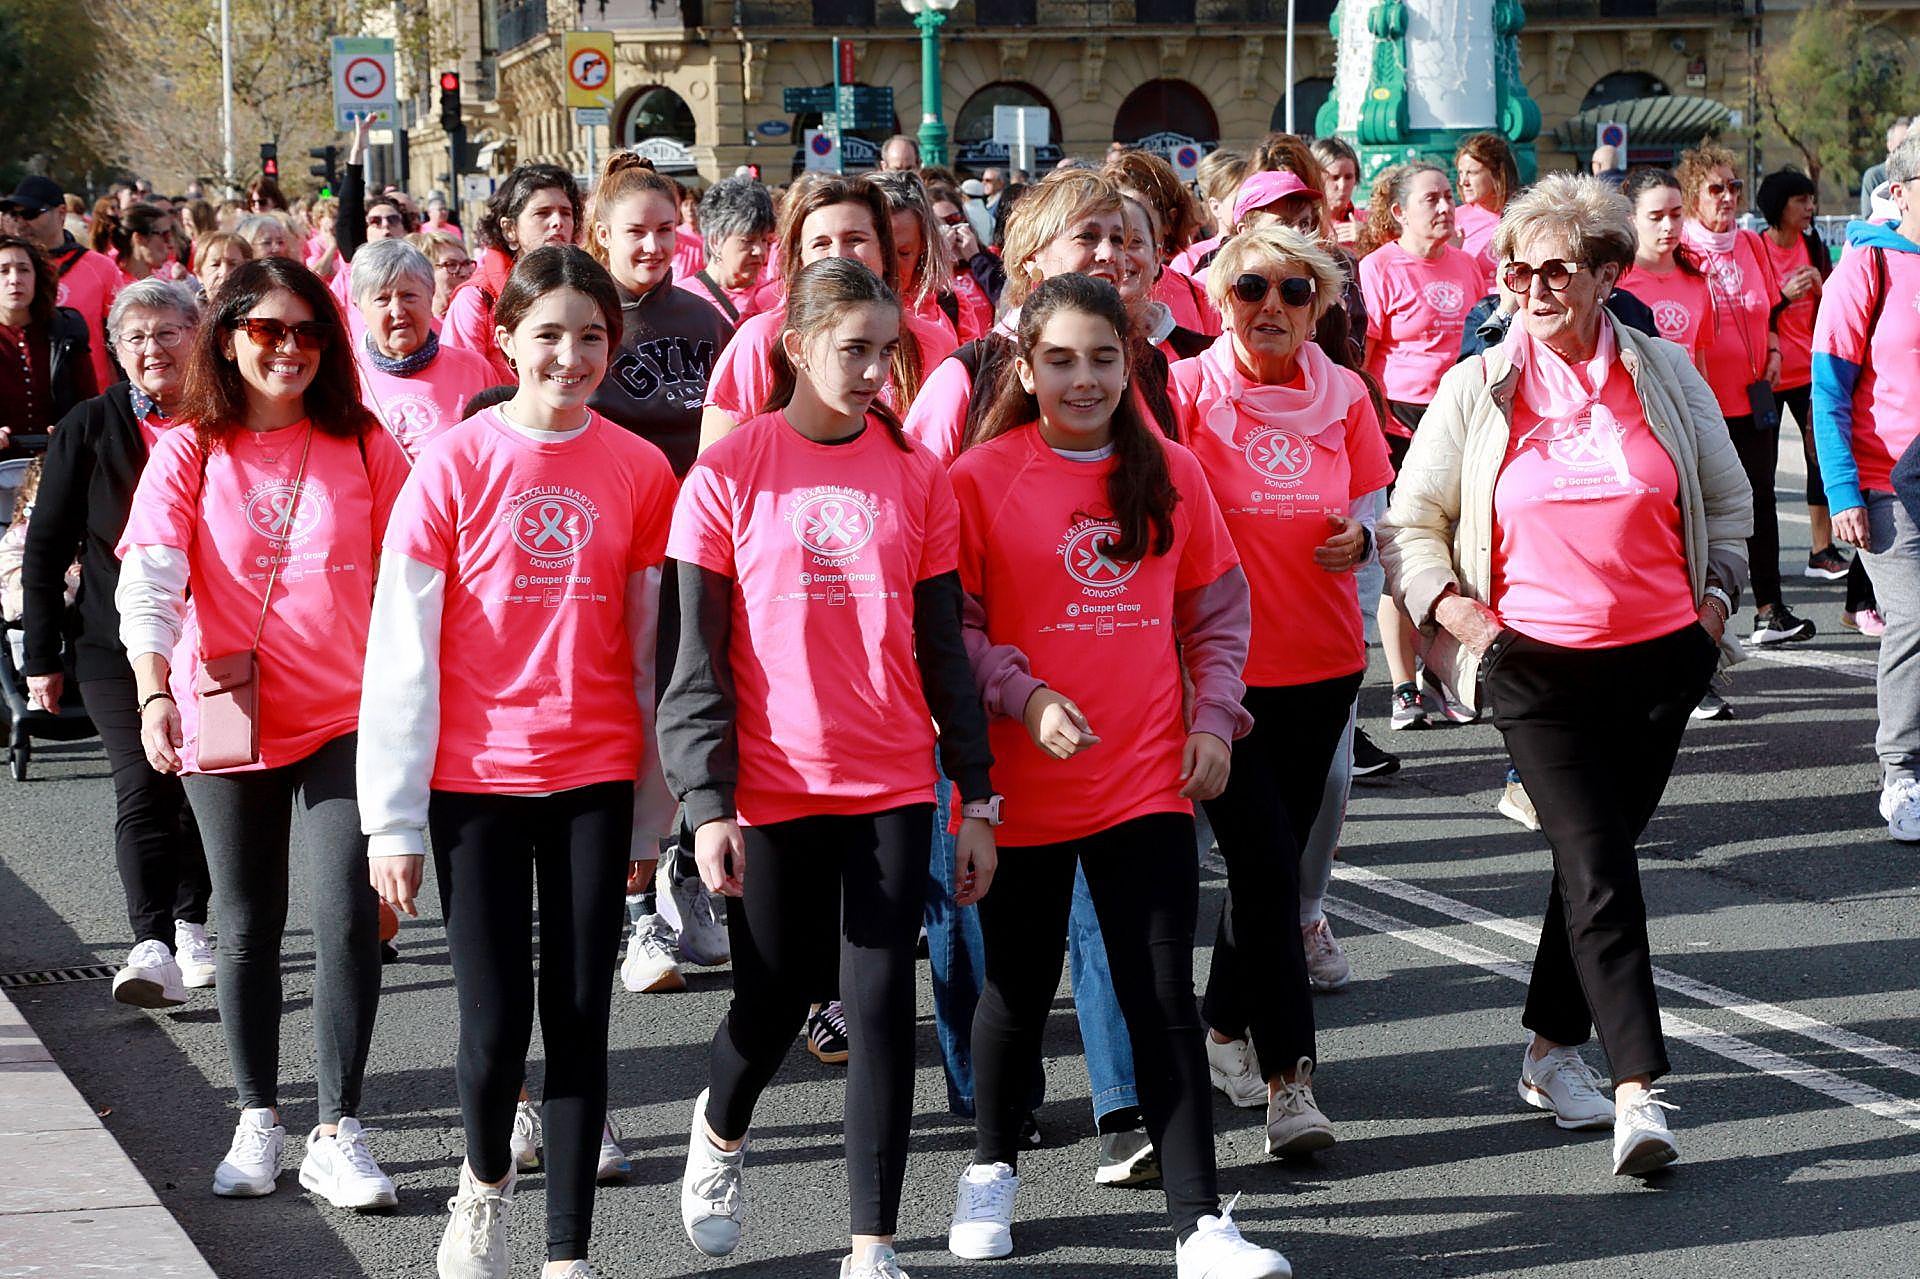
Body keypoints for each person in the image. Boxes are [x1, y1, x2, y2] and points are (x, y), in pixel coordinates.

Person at [1380, 174, 1752, 1179]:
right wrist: (1464, 620)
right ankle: (1639, 1089)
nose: (1533, 288)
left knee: (1595, 863)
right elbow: (1410, 525)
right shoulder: (1478, 385)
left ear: (1604, 275)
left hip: (1661, 658)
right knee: (1599, 868)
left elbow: (1729, 501)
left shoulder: (1664, 371)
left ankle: (1549, 1052)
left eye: (1556, 270)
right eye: (1516, 271)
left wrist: (1713, 614)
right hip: (1534, 665)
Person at [940, 273, 1290, 1279]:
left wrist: (1214, 720)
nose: (1083, 379)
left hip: (1145, 778)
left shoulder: (1171, 470)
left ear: (1130, 362)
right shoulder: (979, 478)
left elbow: (1217, 613)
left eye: (1103, 357)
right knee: (1016, 990)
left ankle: (1200, 1223)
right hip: (1021, 786)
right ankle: (990, 1167)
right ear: (1024, 368)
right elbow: (955, 631)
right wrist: (1024, 696)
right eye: (1060, 360)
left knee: (1161, 995)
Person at [661, 257, 995, 1279]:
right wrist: (707, 801)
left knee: (881, 1003)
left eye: (887, 351)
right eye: (853, 349)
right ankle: (721, 1127)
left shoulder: (917, 474)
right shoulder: (727, 473)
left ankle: (871, 1245)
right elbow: (694, 659)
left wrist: (976, 791)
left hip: (891, 779)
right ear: (797, 347)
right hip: (770, 788)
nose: (874, 371)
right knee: (771, 1002)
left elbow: (945, 650)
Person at [355, 244, 676, 1279]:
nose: (570, 356)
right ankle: (483, 1183)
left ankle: (568, 1253)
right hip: (475, 784)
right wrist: (393, 820)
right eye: (549, 335)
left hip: (594, 777)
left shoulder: (641, 469)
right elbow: (402, 648)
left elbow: (650, 652)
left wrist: (653, 811)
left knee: (580, 1021)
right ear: (503, 339)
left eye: (591, 337)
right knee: (494, 1031)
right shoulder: (453, 464)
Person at [115, 256, 409, 1210]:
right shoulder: (190, 448)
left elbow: (417, 574)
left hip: (348, 713)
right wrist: (153, 691)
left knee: (348, 912)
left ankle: (338, 1127)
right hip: (227, 710)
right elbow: (150, 580)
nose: (290, 348)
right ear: (229, 336)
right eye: (268, 329)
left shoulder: (364, 442)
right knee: (245, 923)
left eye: (310, 331)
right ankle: (258, 1115)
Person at [1170, 227, 1395, 1133]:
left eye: (1294, 291)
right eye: (1251, 287)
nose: (1272, 306)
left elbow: (1376, 514)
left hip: (1324, 665)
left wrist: (1363, 539)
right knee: (1265, 864)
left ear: (1319, 306)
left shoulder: (1347, 395)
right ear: (1221, 298)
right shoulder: (1186, 390)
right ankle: (1288, 1078)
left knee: (1271, 866)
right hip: (1219, 674)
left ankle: (1222, 1023)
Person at [23, 278, 212, 1008]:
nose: (152, 348)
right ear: (116, 350)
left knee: (198, 786)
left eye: (167, 332)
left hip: (213, 642)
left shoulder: (225, 418)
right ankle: (151, 942)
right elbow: (46, 547)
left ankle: (194, 923)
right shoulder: (89, 425)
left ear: (196, 336)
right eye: (135, 337)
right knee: (143, 778)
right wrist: (42, 657)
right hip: (112, 641)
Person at [583, 151, 739, 993]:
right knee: (632, 716)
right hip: (617, 547)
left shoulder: (706, 317)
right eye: (635, 231)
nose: (653, 245)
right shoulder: (585, 315)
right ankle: (635, 912)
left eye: (666, 229)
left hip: (699, 543)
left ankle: (683, 870)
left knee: (696, 702)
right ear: (601, 234)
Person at [1813, 133, 1920, 840]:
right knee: (1916, 618)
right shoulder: (1869, 263)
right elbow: (1828, 388)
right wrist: (1843, 491)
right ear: (1900, 190)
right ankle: (1902, 770)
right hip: (1887, 483)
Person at [1358, 162, 1486, 729]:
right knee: (1406, 555)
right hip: (1399, 422)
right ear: (1398, 212)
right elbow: (1364, 361)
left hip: (1460, 421)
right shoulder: (1378, 268)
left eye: (1448, 196)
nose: (1444, 206)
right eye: (1430, 198)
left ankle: (1445, 673)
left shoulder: (1467, 265)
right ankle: (1402, 686)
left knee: (1459, 554)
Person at [700, 174, 956, 447]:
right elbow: (717, 462)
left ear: (884, 250)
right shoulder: (762, 338)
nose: (838, 256)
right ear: (800, 258)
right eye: (821, 243)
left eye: (855, 239)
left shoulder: (933, 344)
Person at [1677, 143, 1811, 645]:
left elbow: (1769, 307)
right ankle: (1694, 620)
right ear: (1693, 195)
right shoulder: (1682, 250)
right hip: (1704, 405)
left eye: (1733, 186)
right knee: (1704, 513)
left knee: (1762, 502)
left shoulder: (1751, 244)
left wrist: (1774, 349)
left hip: (1754, 398)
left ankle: (1770, 609)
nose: (1728, 197)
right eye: (1716, 188)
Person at [1757, 168, 1866, 610]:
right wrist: (1783, 295)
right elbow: (1752, 308)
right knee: (1761, 471)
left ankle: (1821, 551)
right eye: (1800, 200)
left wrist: (1822, 289)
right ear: (1778, 206)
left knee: (1819, 459)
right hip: (1766, 373)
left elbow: (1831, 308)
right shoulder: (1758, 248)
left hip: (1809, 372)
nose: (1810, 208)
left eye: (1811, 200)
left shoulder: (1815, 245)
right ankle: (1757, 559)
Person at [349, 239, 496, 462]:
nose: (397, 311)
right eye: (382, 299)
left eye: (408, 296)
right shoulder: (347, 379)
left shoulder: (474, 369)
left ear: (430, 295)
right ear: (359, 307)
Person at [445, 164, 583, 384]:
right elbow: (460, 382)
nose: (558, 222)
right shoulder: (477, 298)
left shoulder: (586, 288)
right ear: (510, 229)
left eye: (566, 213)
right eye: (542, 213)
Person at [0, 175, 122, 392]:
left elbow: (122, 338)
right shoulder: (6, 271)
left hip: (91, 397)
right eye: (14, 214)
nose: (21, 222)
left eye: (30, 213)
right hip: (24, 399)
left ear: (61, 213)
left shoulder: (100, 267)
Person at [0, 235, 98, 456]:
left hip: (58, 460)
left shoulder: (66, 329)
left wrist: (72, 428)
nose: (15, 279)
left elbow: (89, 404)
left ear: (37, 277)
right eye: (3, 271)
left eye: (24, 270)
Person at [676, 176, 774, 326]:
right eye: (748, 240)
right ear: (715, 241)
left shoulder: (774, 296)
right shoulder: (682, 301)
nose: (760, 251)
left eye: (765, 240)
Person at [928, 183, 998, 339]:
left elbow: (1006, 300)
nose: (949, 230)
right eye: (938, 225)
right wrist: (941, 259)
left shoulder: (985, 259)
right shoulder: (925, 273)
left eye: (953, 220)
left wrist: (975, 257)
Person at [1452, 132, 1518, 280]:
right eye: (1461, 173)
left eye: (1472, 173)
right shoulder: (1454, 219)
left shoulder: (1522, 217)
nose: (1463, 182)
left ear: (1497, 173)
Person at [410, 230, 476, 319]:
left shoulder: (480, 316)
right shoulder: (418, 324)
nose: (464, 273)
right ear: (426, 273)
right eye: (451, 265)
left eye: (467, 263)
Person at [1311, 137, 1364, 248]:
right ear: (1316, 178)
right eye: (1335, 177)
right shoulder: (1303, 223)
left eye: (1349, 177)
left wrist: (1368, 240)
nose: (1342, 185)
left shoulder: (1369, 222)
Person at [119, 205, 183, 285]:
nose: (171, 244)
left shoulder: (169, 277)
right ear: (139, 238)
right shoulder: (116, 283)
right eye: (165, 235)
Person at [1860, 118, 1910, 220]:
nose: (1907, 149)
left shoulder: (1915, 176)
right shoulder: (1874, 176)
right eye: (1902, 144)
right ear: (1890, 145)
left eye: (1911, 143)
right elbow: (1868, 218)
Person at [191, 232, 253, 306]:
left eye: (233, 264)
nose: (224, 272)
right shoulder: (189, 311)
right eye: (215, 265)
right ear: (199, 274)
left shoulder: (260, 310)